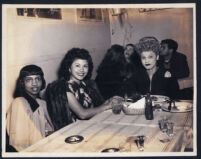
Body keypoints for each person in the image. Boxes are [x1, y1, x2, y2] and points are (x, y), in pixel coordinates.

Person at [46, 48, 122, 131]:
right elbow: (82, 114)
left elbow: (95, 108)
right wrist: (107, 106)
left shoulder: (86, 84)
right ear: (69, 68)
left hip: (92, 124)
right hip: (75, 130)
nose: (82, 70)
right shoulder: (64, 88)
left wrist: (109, 101)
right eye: (77, 66)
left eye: (85, 66)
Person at [6, 65, 54, 151]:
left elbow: (49, 131)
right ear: (22, 83)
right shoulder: (19, 103)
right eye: (29, 80)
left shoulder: (41, 103)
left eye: (38, 79)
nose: (34, 83)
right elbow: (19, 144)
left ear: (42, 81)